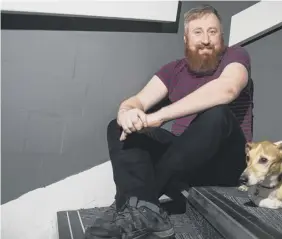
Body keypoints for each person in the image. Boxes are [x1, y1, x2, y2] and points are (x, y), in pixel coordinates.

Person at [85, 4, 254, 239]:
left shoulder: (235, 56)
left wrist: (159, 116)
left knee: (218, 113)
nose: (205, 39)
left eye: (212, 32)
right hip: (183, 167)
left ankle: (131, 204)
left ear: (221, 37)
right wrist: (127, 112)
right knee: (118, 126)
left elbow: (228, 89)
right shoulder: (173, 71)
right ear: (186, 38)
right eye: (198, 32)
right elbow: (137, 101)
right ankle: (144, 210)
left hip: (226, 165)